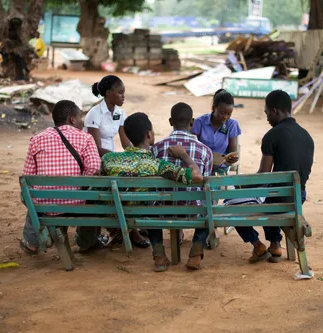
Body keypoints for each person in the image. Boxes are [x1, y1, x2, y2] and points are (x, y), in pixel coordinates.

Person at [101, 112, 204, 272]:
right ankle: (163, 255)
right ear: (149, 135)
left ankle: (159, 256)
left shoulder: (108, 159)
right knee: (156, 207)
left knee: (153, 205)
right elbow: (196, 176)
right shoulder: (157, 164)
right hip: (142, 217)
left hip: (114, 215)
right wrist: (184, 156)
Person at [235, 90, 314, 264]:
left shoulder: (272, 135)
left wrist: (241, 186)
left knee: (233, 204)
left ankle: (259, 244)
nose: (267, 118)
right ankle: (275, 244)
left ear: (275, 111)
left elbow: (263, 175)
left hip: (278, 200)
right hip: (298, 197)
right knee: (271, 196)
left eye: (267, 113)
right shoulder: (307, 136)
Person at [20, 100, 102, 254]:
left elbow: (28, 177)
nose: (82, 122)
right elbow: (94, 168)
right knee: (93, 195)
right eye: (79, 118)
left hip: (45, 205)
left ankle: (32, 241)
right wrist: (80, 184)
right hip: (77, 203)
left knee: (27, 194)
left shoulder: (37, 139)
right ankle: (85, 241)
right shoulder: (85, 138)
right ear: (72, 119)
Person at [152, 102, 213, 270]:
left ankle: (158, 254)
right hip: (194, 212)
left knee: (148, 204)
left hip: (163, 211)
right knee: (210, 203)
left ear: (170, 121)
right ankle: (195, 252)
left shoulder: (156, 148)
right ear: (192, 122)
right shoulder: (205, 151)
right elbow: (205, 186)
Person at [192, 89, 241, 176]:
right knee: (199, 184)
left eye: (229, 114)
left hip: (221, 167)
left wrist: (231, 159)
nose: (225, 117)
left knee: (215, 185)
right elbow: (192, 146)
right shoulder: (200, 122)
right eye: (222, 113)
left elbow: (232, 152)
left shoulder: (232, 125)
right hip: (200, 165)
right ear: (214, 108)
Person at [85, 75, 132, 156]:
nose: (123, 96)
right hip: (94, 158)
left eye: (123, 92)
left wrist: (136, 154)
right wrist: (116, 157)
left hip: (110, 157)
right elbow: (96, 149)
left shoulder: (120, 113)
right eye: (120, 92)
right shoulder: (95, 113)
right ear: (108, 93)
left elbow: (126, 144)